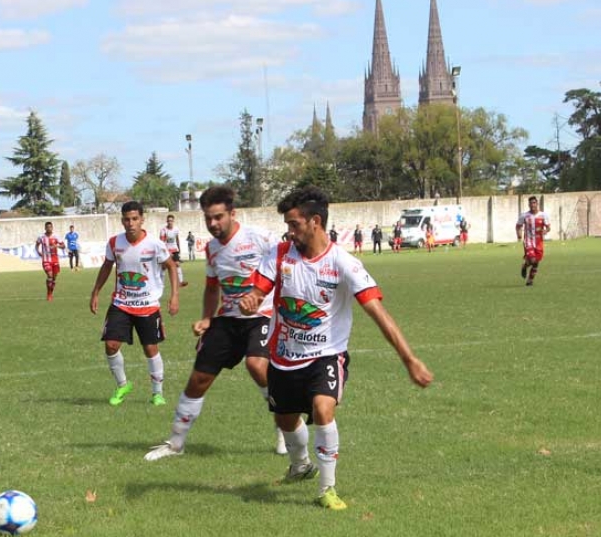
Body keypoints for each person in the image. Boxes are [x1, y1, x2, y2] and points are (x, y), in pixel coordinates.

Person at [238, 186, 432, 511]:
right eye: (287, 224)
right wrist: (250, 301)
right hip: (285, 356)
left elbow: (378, 313)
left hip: (328, 354)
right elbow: (257, 291)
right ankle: (301, 465)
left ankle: (327, 489)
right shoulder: (280, 254)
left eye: (295, 224)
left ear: (315, 222)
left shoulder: (344, 263)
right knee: (285, 420)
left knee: (322, 409)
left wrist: (410, 360)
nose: (289, 231)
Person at [144, 186, 290, 461]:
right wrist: (207, 318)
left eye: (218, 217)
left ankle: (283, 424)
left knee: (256, 364)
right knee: (199, 378)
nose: (213, 224)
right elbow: (212, 288)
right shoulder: (211, 249)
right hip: (227, 319)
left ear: (233, 213)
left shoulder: (260, 238)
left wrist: (264, 297)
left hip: (264, 316)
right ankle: (175, 444)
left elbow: (285, 267)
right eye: (208, 218)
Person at [91, 201, 180, 407]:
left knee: (150, 349)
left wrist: (174, 295)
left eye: (134, 219)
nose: (130, 223)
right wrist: (95, 291)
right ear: (122, 220)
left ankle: (157, 393)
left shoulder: (155, 244)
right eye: (126, 219)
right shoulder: (115, 243)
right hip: (121, 302)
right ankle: (122, 384)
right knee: (111, 345)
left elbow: (172, 267)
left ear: (142, 219)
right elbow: (106, 266)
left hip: (147, 304)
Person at [516, 196, 551, 287]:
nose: (532, 205)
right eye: (531, 203)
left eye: (534, 203)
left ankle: (530, 280)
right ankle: (525, 267)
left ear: (537, 204)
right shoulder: (524, 215)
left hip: (539, 242)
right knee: (532, 259)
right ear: (529, 204)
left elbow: (548, 227)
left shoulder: (543, 215)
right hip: (528, 241)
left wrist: (545, 231)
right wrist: (519, 234)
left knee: (536, 262)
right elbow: (518, 226)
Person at [35, 221, 65, 301]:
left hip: (55, 260)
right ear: (45, 228)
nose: (49, 228)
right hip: (46, 260)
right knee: (50, 276)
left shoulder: (56, 237)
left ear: (52, 228)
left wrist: (56, 245)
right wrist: (38, 252)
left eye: (50, 227)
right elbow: (37, 244)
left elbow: (63, 246)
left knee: (54, 278)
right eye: (48, 227)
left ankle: (51, 292)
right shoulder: (41, 237)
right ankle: (49, 295)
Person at [160, 214, 188, 287]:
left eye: (171, 221)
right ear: (167, 221)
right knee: (163, 267)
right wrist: (167, 252)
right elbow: (161, 242)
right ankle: (160, 284)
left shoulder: (176, 229)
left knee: (177, 264)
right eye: (168, 221)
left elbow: (177, 239)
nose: (170, 222)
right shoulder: (163, 230)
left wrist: (179, 248)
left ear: (173, 221)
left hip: (174, 249)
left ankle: (181, 282)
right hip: (166, 250)